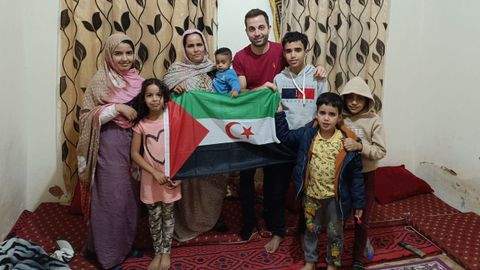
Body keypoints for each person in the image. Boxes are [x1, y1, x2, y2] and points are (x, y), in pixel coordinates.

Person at [232, 8, 327, 253]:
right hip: (279, 138)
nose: (292, 54)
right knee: (275, 190)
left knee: (310, 192)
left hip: (311, 140)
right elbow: (242, 94)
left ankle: (309, 234)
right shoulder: (278, 80)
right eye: (252, 28)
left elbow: (326, 106)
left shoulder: (317, 77)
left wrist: (320, 69)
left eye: (261, 27)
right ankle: (277, 231)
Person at [275, 92, 365, 270]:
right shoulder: (308, 135)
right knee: (310, 231)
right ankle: (310, 262)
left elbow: (356, 175)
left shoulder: (347, 141)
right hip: (311, 197)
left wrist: (359, 204)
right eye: (322, 113)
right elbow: (285, 137)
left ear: (339, 117)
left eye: (332, 114)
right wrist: (279, 112)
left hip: (335, 200)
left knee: (335, 234)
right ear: (316, 113)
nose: (326, 118)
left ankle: (333, 264)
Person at [76, 33, 143, 269]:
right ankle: (108, 257)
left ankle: (122, 245)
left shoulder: (139, 81)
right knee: (111, 199)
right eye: (118, 53)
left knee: (129, 198)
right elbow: (86, 116)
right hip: (109, 144)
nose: (125, 58)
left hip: (135, 146)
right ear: (108, 55)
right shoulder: (100, 80)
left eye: (128, 53)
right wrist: (116, 107)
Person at [163, 29, 229, 241]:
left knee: (214, 178)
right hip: (188, 137)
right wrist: (173, 87)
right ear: (184, 48)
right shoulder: (175, 72)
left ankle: (212, 218)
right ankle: (192, 222)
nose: (195, 49)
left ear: (205, 45)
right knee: (192, 180)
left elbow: (231, 90)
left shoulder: (216, 68)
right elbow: (163, 98)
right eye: (190, 46)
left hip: (215, 133)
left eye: (199, 44)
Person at [130, 79, 182, 270]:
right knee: (154, 218)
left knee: (168, 216)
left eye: (158, 95)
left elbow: (183, 149)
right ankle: (157, 252)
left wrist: (180, 176)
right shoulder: (141, 124)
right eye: (149, 95)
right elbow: (135, 154)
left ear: (164, 97)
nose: (154, 99)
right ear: (143, 98)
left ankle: (166, 253)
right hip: (150, 180)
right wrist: (153, 172)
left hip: (170, 179)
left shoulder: (173, 120)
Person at [339, 77, 386, 269]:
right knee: (340, 217)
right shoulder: (339, 117)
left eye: (359, 98)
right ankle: (336, 254)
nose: (354, 102)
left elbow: (380, 151)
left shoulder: (375, 121)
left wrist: (360, 146)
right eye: (350, 98)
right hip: (342, 175)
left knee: (362, 219)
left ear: (367, 99)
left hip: (366, 176)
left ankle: (358, 259)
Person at [274, 31, 329, 129]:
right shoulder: (279, 79)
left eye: (298, 50)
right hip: (286, 133)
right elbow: (277, 109)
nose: (293, 55)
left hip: (311, 130)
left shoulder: (317, 75)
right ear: (284, 53)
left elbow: (324, 106)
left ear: (305, 51)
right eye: (288, 51)